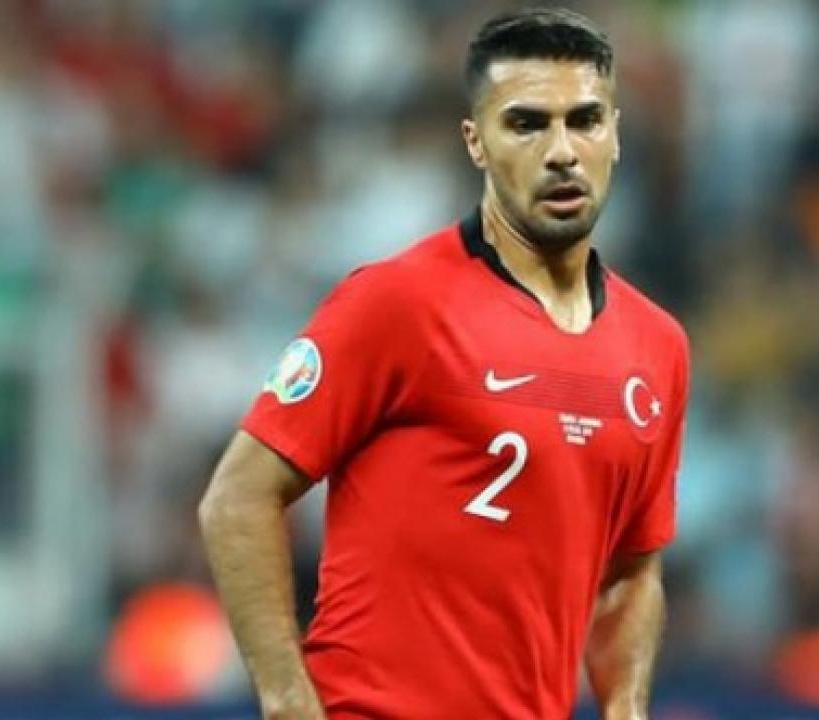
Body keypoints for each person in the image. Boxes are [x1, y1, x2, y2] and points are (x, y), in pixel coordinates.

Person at [198, 8, 688, 720]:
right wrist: (287, 700)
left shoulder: (657, 347)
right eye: (526, 124)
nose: (561, 151)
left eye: (584, 121)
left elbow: (631, 572)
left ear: (614, 134)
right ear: (476, 142)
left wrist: (627, 706)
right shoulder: (396, 303)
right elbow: (238, 499)